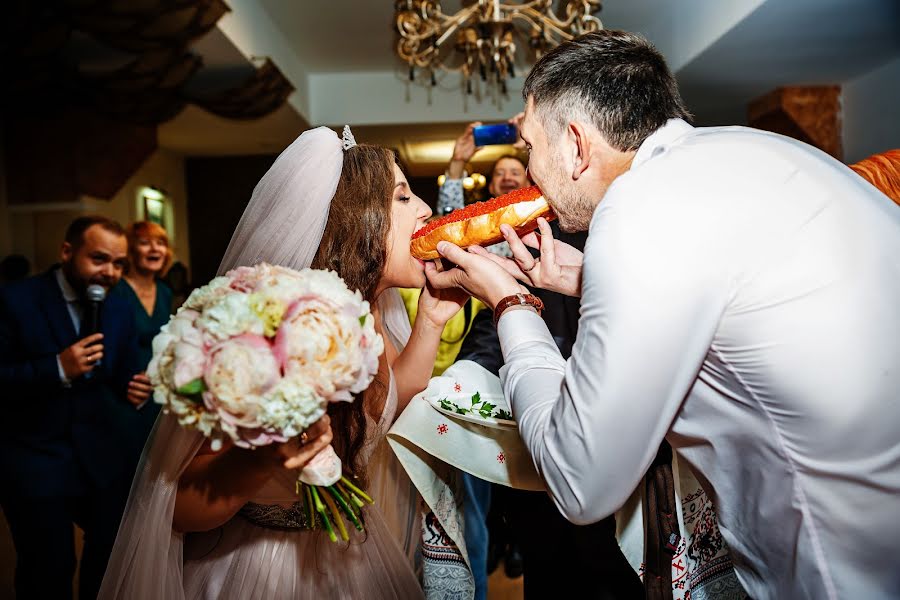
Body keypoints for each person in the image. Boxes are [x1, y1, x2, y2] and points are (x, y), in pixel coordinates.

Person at [426, 30, 900, 600]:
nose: (530, 167)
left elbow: (580, 483)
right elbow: (728, 300)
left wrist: (509, 301)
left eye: (530, 146)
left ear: (576, 145)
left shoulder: (637, 211)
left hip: (839, 567)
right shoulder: (751, 150)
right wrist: (583, 280)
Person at [99, 127, 469, 599]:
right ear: (353, 219)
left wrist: (432, 321)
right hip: (267, 571)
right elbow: (182, 508)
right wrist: (266, 452)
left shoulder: (367, 311)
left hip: (353, 554)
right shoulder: (271, 329)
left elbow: (391, 400)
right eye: (402, 197)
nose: (424, 209)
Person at [0, 215, 150, 599]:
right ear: (67, 251)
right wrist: (55, 369)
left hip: (100, 456)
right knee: (48, 567)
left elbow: (122, 369)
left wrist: (135, 386)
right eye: (99, 259)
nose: (110, 272)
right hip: (34, 457)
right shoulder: (15, 300)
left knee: (112, 555)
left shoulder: (117, 308)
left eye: (119, 264)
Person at [110, 221, 174, 462]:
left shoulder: (165, 292)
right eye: (145, 243)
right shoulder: (116, 289)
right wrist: (124, 381)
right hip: (124, 391)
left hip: (157, 389)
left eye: (160, 243)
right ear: (130, 251)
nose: (154, 249)